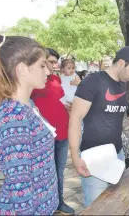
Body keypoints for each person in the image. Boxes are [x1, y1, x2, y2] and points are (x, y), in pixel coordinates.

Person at [68, 46, 129, 207]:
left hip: (116, 154)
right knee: (96, 208)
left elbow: (122, 120)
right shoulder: (93, 81)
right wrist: (75, 156)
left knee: (115, 204)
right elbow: (75, 118)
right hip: (93, 157)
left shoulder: (122, 86)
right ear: (121, 62)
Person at [0, 35, 58, 214]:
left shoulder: (27, 106)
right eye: (42, 65)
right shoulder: (13, 117)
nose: (48, 72)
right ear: (22, 69)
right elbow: (20, 186)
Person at [31, 48, 75, 214]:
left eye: (54, 62)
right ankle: (45, 204)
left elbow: (63, 99)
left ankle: (59, 202)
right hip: (44, 137)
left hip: (62, 134)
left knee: (59, 172)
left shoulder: (56, 79)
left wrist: (70, 106)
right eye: (49, 62)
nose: (52, 65)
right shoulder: (35, 81)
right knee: (45, 174)